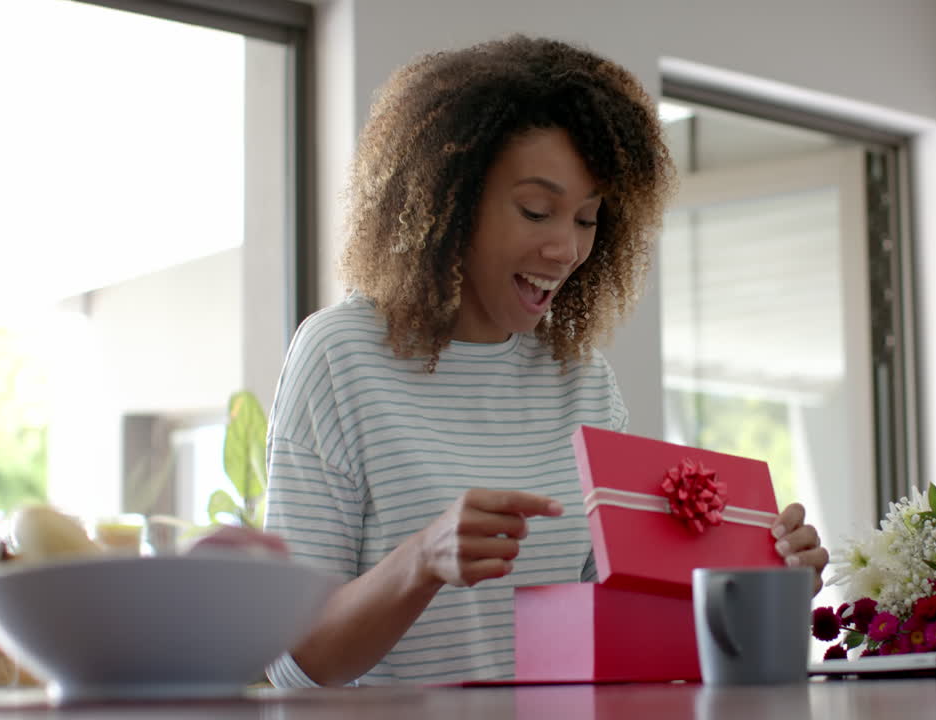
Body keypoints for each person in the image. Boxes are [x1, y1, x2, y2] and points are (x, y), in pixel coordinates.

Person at [263, 35, 830, 688]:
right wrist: (420, 561)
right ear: (451, 201)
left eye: (587, 219)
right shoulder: (340, 356)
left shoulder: (582, 382)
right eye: (537, 211)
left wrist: (757, 581)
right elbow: (293, 663)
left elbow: (615, 635)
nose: (566, 249)